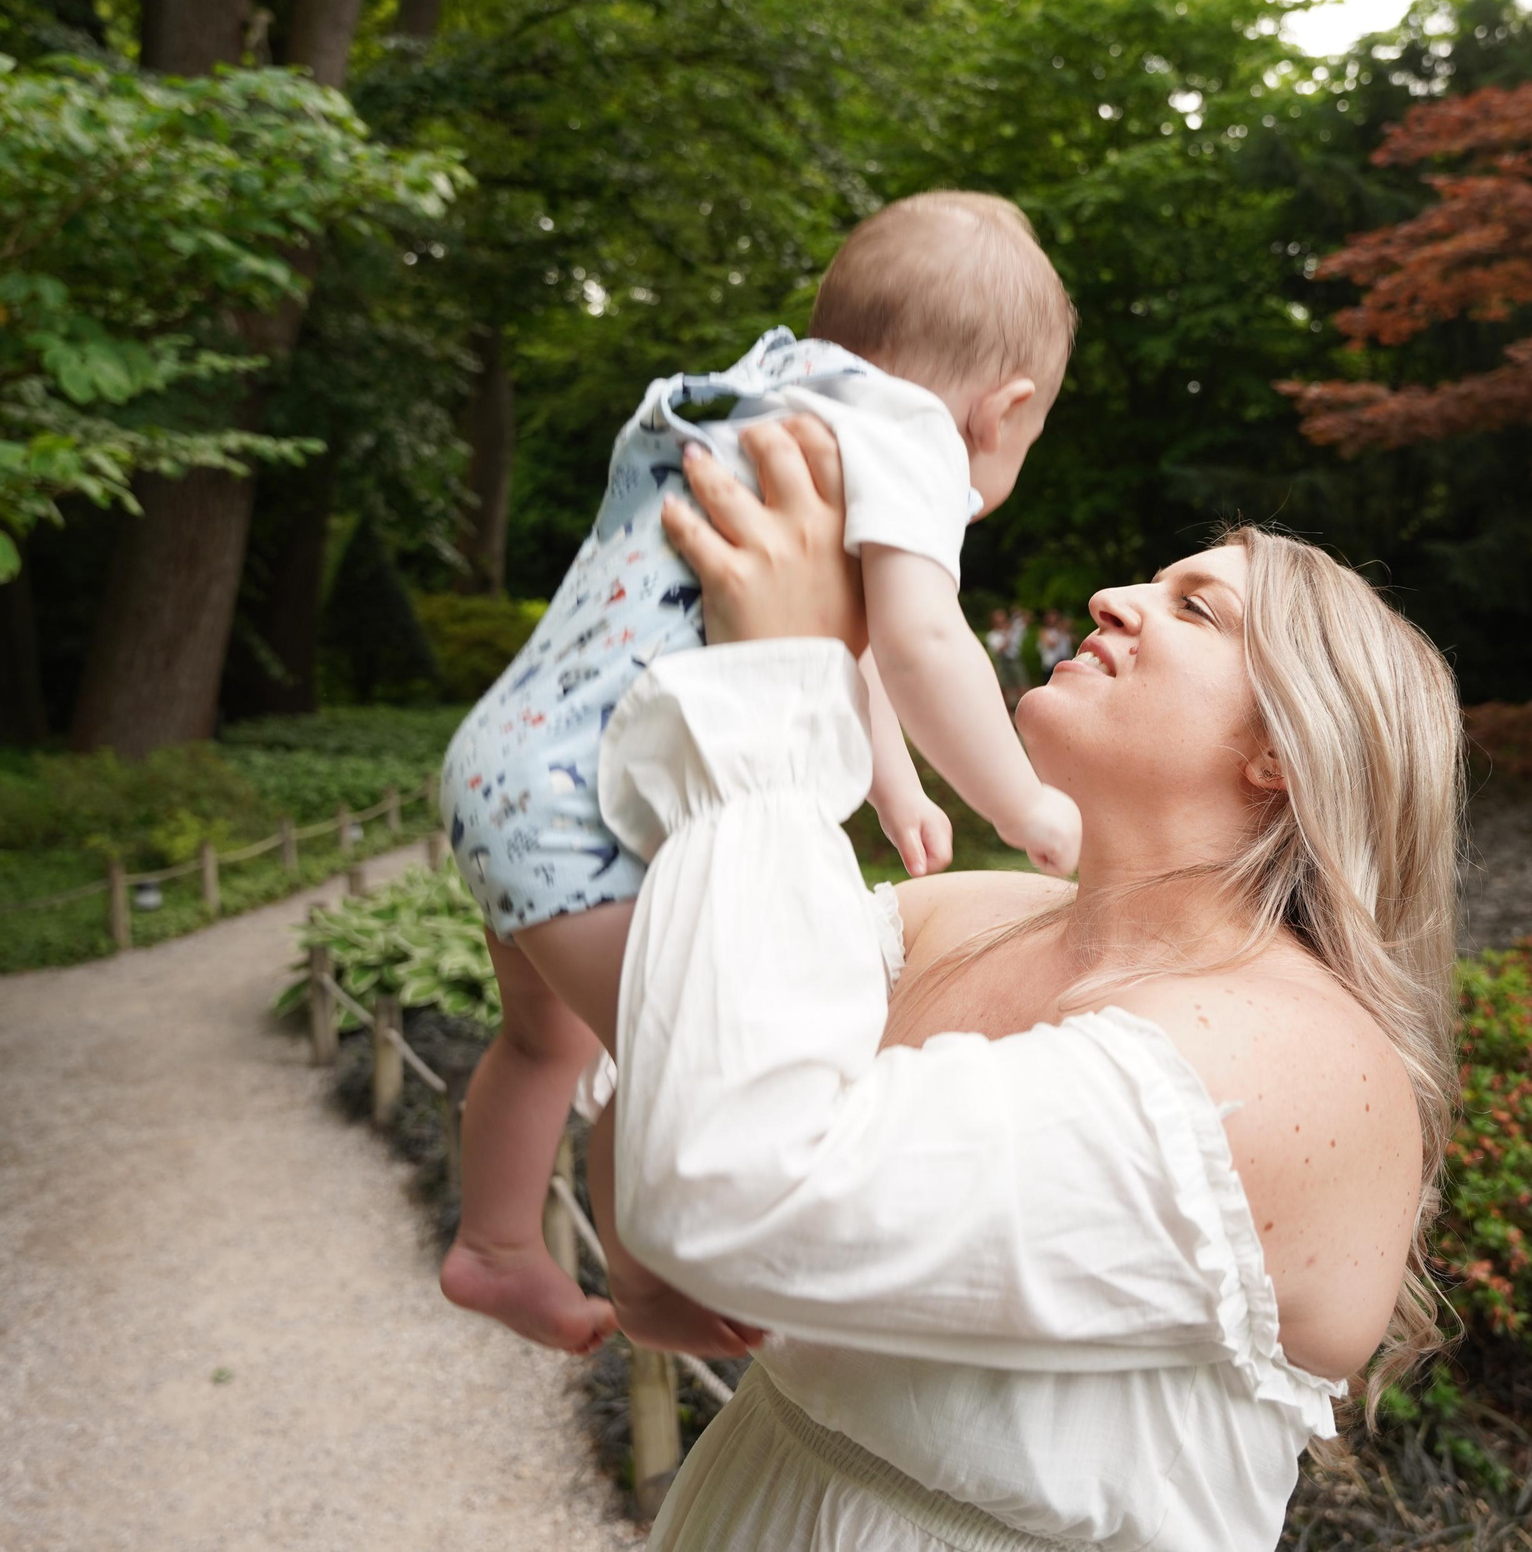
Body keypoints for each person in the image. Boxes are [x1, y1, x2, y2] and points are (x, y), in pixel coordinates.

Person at [569, 418, 1465, 1548]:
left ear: (1284, 752)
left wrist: (776, 697)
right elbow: (653, 1077)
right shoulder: (953, 915)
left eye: (1195, 607)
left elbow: (731, 1197)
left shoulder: (1300, 1068)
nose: (1110, 596)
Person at [434, 193, 1084, 1354]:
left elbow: (847, 641)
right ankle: (641, 1280)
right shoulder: (911, 438)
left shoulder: (772, 391)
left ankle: (496, 1245)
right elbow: (925, 637)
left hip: (509, 765)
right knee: (680, 1038)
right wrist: (1022, 802)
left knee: (545, 1040)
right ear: (1008, 409)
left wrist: (897, 785)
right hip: (581, 808)